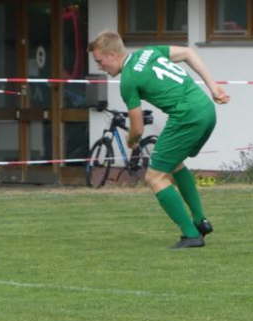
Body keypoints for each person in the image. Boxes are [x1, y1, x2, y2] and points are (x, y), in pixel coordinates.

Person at [88, 30, 230, 249]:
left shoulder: (128, 80)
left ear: (112, 55)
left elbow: (137, 127)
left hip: (187, 116)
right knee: (174, 164)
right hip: (205, 108)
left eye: (100, 61)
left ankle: (191, 235)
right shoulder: (148, 52)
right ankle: (200, 221)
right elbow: (188, 53)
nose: (100, 67)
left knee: (154, 177)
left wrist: (130, 140)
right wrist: (213, 87)